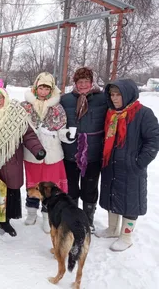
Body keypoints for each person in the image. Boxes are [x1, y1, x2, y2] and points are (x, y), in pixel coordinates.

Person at [0, 79, 46, 237]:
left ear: (5, 98)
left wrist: (38, 149)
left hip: (12, 161)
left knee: (9, 193)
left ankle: (5, 222)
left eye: (0, 98)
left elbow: (29, 135)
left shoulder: (16, 116)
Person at [96, 79, 159, 251]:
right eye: (112, 95)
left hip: (131, 168)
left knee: (131, 201)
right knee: (112, 196)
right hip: (111, 164)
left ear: (128, 94)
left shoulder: (143, 114)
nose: (115, 98)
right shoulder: (111, 114)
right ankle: (112, 229)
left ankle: (126, 236)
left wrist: (139, 162)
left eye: (119, 95)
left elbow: (153, 140)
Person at [22, 72, 74, 233]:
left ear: (51, 90)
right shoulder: (26, 106)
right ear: (35, 88)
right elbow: (21, 127)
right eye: (41, 88)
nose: (43, 91)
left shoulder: (57, 108)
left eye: (46, 89)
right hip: (33, 153)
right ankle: (31, 212)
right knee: (32, 184)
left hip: (52, 153)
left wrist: (67, 135)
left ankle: (47, 216)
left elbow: (61, 128)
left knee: (49, 187)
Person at [60, 67, 107, 232]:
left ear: (91, 82)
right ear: (75, 83)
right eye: (80, 82)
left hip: (93, 153)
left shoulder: (102, 99)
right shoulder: (65, 100)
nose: (83, 85)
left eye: (86, 81)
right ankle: (74, 220)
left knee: (90, 188)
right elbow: (56, 120)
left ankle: (88, 220)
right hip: (70, 152)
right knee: (71, 189)